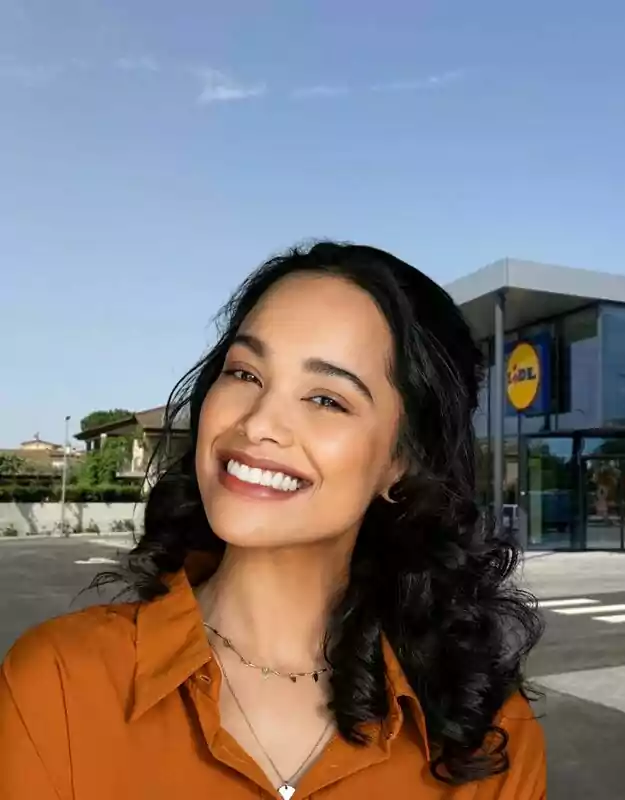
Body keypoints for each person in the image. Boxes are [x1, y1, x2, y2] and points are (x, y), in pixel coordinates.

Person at [0, 242, 547, 799]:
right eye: (244, 373)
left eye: (327, 400)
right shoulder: (60, 681)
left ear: (401, 463)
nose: (259, 422)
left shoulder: (489, 736)